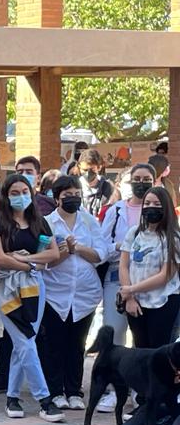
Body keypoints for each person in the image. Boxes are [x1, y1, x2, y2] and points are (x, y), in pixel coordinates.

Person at [0, 173, 64, 421]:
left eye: (25, 192)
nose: (21, 197)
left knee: (24, 341)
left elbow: (53, 254)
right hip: (5, 287)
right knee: (26, 341)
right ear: (6, 196)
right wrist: (29, 265)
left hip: (34, 287)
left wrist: (25, 259)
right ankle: (44, 399)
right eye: (15, 193)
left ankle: (12, 397)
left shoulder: (39, 222)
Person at [38, 175, 111, 410]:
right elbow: (42, 260)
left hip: (84, 295)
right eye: (67, 195)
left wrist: (77, 248)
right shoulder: (46, 223)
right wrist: (64, 253)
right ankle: (55, 391)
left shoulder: (89, 222)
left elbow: (101, 254)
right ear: (56, 197)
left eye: (76, 194)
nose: (72, 199)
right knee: (55, 345)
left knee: (77, 344)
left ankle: (74, 391)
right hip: (54, 293)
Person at [97, 162, 156, 411]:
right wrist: (120, 247)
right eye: (137, 178)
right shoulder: (117, 211)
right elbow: (102, 245)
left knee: (144, 338)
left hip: (151, 283)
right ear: (129, 181)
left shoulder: (160, 209)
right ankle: (114, 387)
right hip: (117, 279)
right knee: (116, 332)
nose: (141, 183)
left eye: (147, 179)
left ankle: (141, 388)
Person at [119, 186, 180, 349]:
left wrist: (131, 290)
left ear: (165, 206)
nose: (150, 207)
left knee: (159, 353)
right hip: (135, 302)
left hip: (163, 302)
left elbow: (165, 275)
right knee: (140, 351)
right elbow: (124, 266)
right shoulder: (134, 233)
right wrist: (130, 297)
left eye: (156, 203)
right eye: (147, 203)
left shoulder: (173, 237)